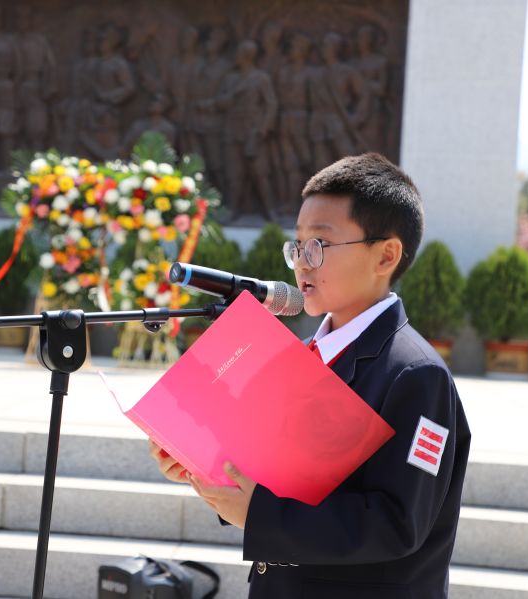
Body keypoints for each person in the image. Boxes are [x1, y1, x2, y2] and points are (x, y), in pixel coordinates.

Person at [150, 152, 471, 599]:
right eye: (296, 245)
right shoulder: (301, 358)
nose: (302, 261)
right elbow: (276, 479)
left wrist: (259, 514)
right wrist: (206, 469)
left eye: (319, 244)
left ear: (386, 256)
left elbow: (397, 523)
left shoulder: (415, 375)